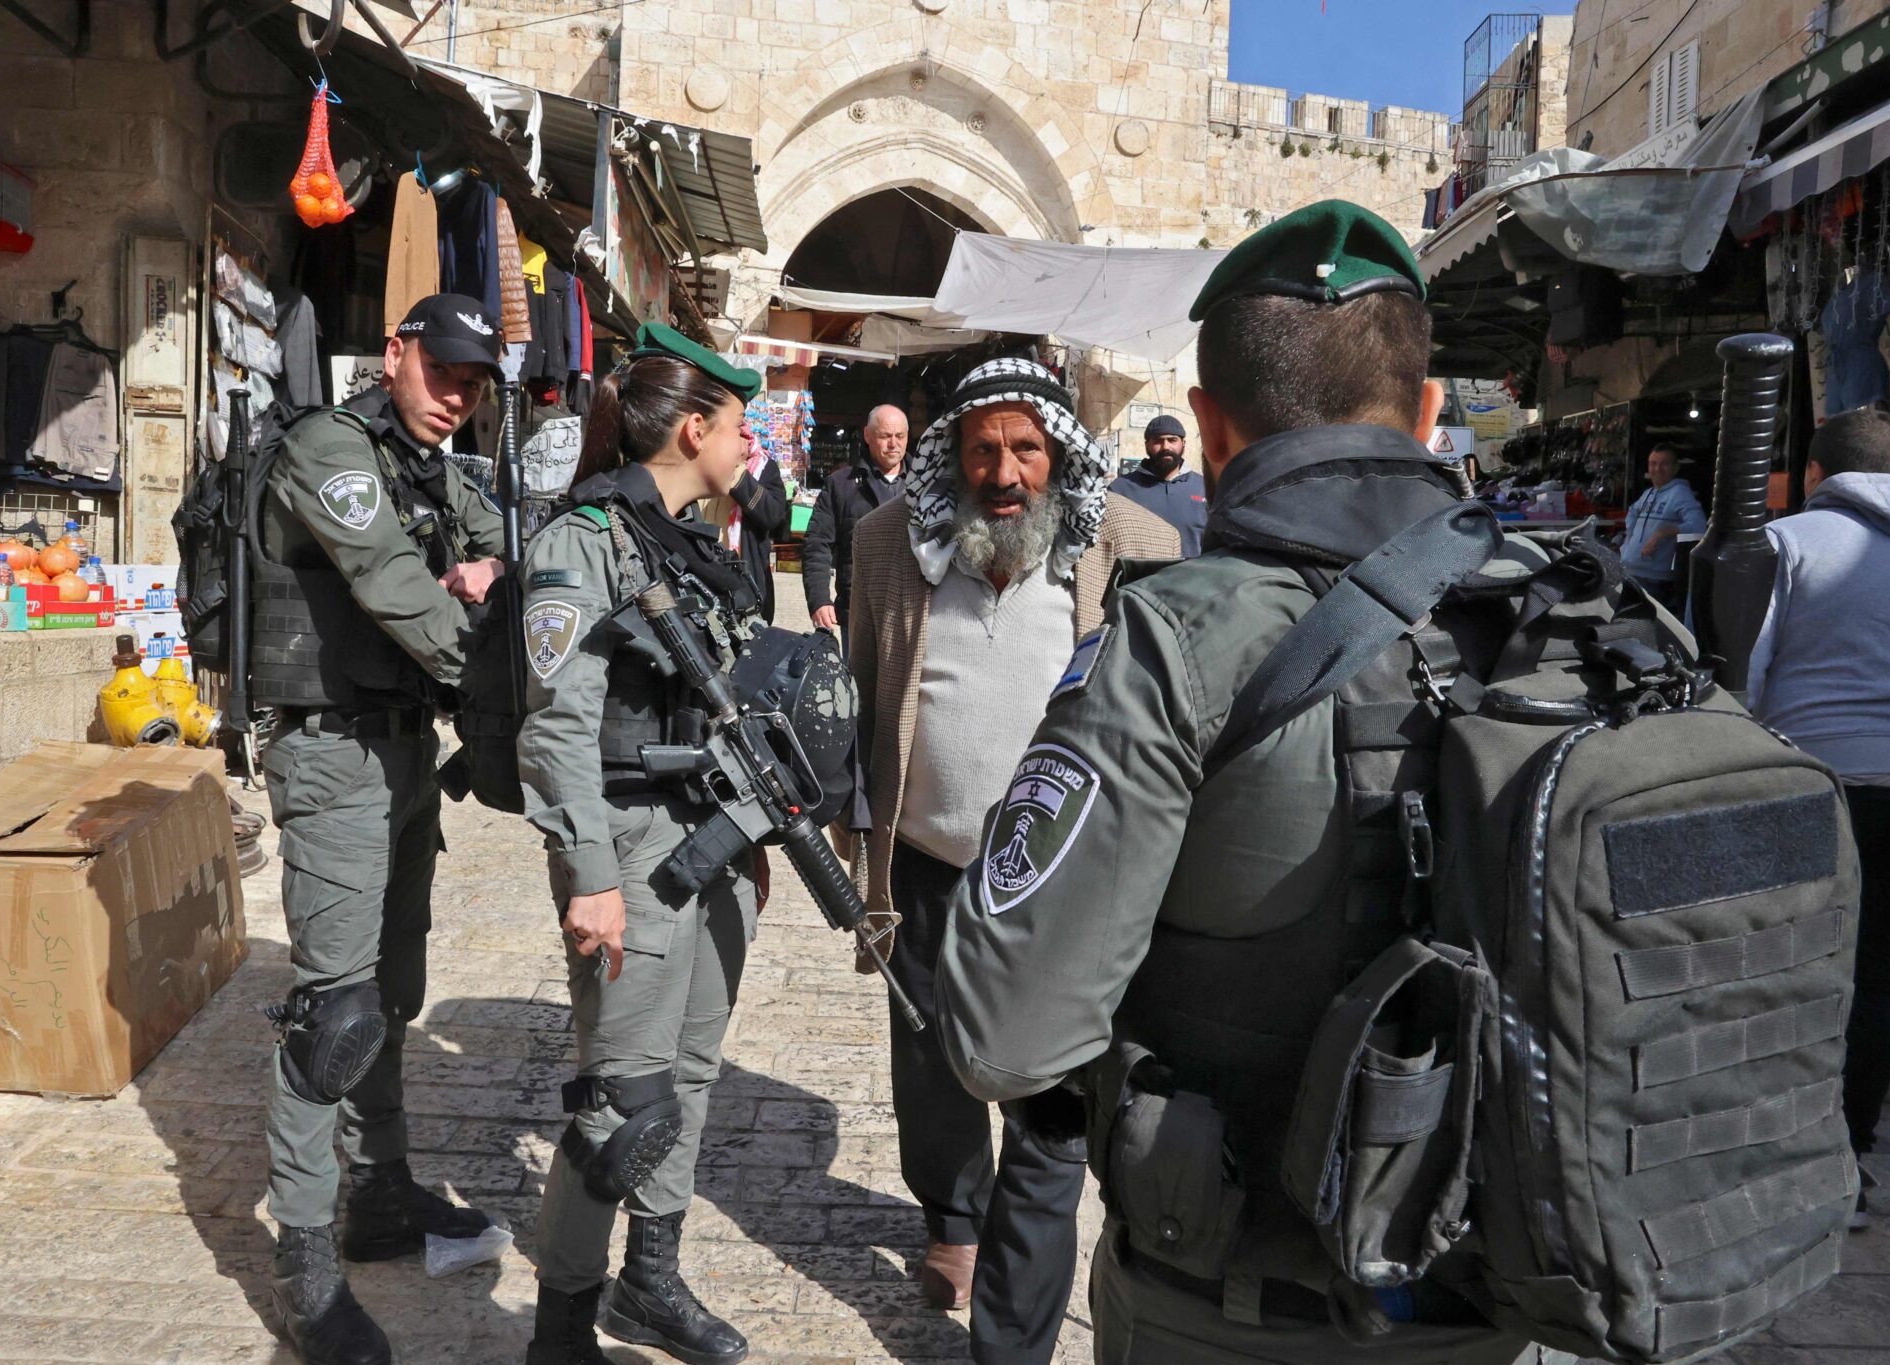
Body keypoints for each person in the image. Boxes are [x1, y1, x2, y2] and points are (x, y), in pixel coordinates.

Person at [931, 202, 1564, 1364]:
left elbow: (1004, 1036)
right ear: (1426, 416)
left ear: (1211, 433)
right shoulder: (1579, 612)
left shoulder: (1176, 640)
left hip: (1239, 1305)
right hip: (1518, 1287)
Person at [844, 358, 1180, 1363]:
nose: (1003, 472)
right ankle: (951, 1221)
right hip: (926, 859)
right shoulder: (885, 544)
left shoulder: (1126, 546)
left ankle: (1017, 1302)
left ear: (1057, 457)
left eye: (1025, 449)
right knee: (932, 1053)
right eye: (983, 449)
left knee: (1052, 1084)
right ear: (952, 453)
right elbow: (866, 689)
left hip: (1062, 880)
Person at [254, 293, 507, 1365]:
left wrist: (500, 580)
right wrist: (494, 672)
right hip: (331, 754)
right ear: (396, 354)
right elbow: (391, 582)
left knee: (392, 992)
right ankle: (307, 1270)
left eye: (473, 384)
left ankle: (384, 1195)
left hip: (402, 751)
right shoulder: (330, 446)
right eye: (442, 371)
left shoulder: (438, 469)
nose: (457, 397)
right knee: (334, 1015)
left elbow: (511, 561)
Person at [517, 322, 769, 1365]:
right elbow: (556, 719)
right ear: (695, 427)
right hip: (628, 842)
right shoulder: (586, 540)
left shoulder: (700, 542)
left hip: (713, 842)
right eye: (739, 425)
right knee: (621, 1099)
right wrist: (588, 878)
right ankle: (563, 1320)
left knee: (692, 1075)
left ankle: (651, 1282)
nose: (750, 445)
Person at [1747, 406, 1890, 1227]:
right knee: (1873, 974)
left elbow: (1748, 672)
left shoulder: (1786, 544)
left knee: (1786, 971)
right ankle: (1849, 1165)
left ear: (1816, 476)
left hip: (1813, 782)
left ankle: (1775, 1157)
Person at [803, 403, 908, 639]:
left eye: (900, 436)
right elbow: (817, 544)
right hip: (859, 613)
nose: (894, 443)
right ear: (868, 436)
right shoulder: (842, 485)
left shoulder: (924, 486)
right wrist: (819, 599)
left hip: (912, 611)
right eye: (885, 436)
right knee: (859, 677)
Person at [1618, 443, 1705, 612]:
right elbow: (1632, 512)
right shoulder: (1649, 493)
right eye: (1653, 463)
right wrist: (1629, 542)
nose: (1657, 469)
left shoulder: (1680, 493)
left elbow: (1698, 525)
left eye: (1664, 463)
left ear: (1675, 467)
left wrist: (1661, 533)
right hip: (1632, 571)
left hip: (1655, 579)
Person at [716, 428, 790, 621]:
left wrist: (739, 476)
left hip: (747, 572)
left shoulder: (764, 469)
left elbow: (773, 515)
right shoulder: (707, 467)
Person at [1108, 413, 1207, 555]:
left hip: (1192, 576)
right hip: (1140, 577)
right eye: (1158, 441)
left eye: (1172, 440)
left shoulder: (1204, 488)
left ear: (1183, 444)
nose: (1165, 446)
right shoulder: (1120, 490)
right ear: (1147, 445)